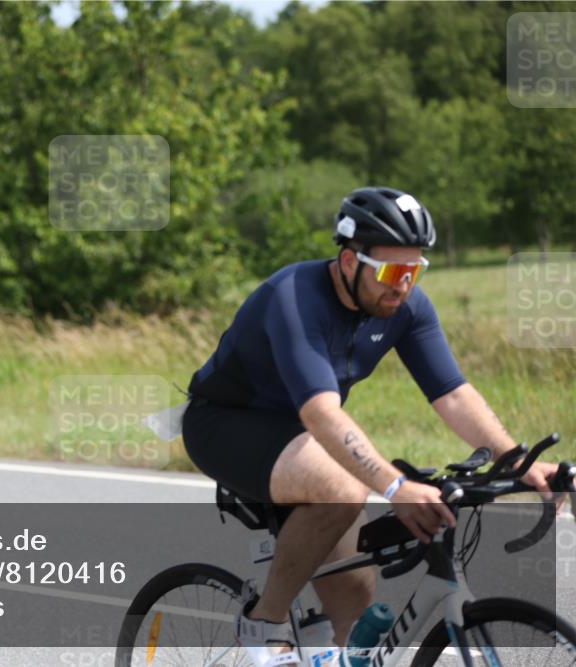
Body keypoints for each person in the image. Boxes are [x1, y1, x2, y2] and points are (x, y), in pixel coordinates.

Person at [180, 186, 561, 667]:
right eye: (390, 271)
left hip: (304, 438)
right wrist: (396, 486)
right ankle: (264, 622)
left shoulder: (408, 308)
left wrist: (517, 461)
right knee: (342, 486)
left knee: (356, 617)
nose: (402, 285)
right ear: (347, 262)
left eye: (414, 270)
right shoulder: (294, 297)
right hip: (227, 424)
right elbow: (321, 413)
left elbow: (453, 394)